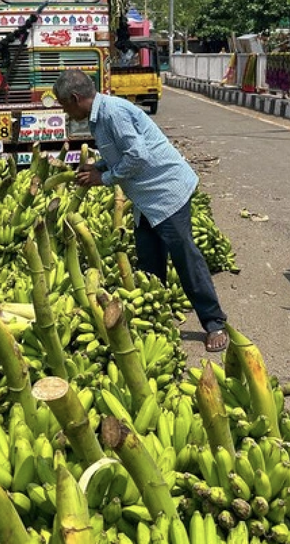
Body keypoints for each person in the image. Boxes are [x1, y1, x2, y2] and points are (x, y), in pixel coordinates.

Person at [53, 69, 229, 352]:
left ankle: (214, 322)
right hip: (147, 198)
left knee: (185, 256)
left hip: (166, 191)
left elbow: (137, 156)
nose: (65, 112)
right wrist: (97, 167)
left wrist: (104, 178)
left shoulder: (112, 113)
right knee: (149, 261)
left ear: (75, 98)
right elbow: (121, 152)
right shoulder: (99, 117)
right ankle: (156, 316)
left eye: (64, 105)